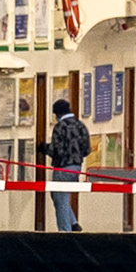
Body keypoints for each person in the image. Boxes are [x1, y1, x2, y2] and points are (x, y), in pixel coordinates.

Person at [47, 98, 90, 232]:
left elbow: (55, 150)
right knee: (57, 195)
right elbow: (87, 149)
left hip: (63, 167)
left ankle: (65, 231)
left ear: (57, 114)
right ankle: (73, 223)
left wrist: (44, 148)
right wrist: (76, 157)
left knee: (60, 199)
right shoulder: (80, 125)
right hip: (76, 167)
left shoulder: (60, 127)